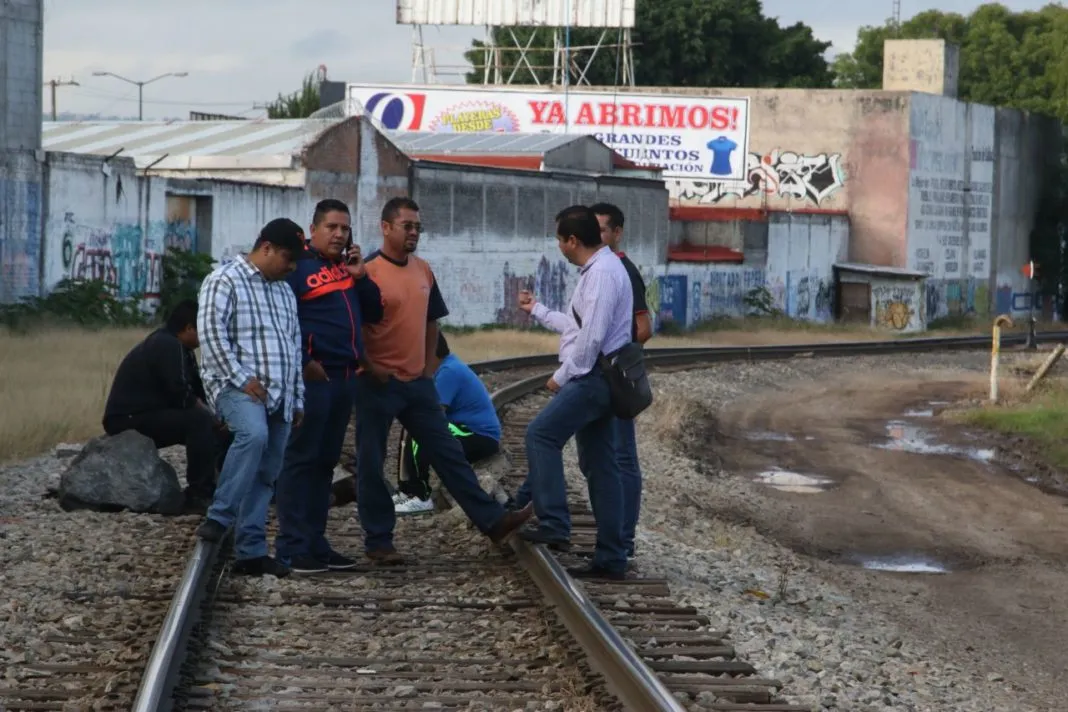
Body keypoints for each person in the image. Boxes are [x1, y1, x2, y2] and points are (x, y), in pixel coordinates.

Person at [355, 196, 533, 564]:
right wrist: (370, 367)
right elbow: (352, 326)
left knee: (449, 454)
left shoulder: (423, 270)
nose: (414, 233)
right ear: (386, 228)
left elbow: (432, 320)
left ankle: (493, 522)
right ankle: (379, 541)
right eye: (407, 226)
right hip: (377, 383)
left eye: (418, 227)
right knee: (371, 461)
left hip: (417, 384)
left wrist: (426, 371)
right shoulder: (368, 272)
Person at [513, 205, 634, 581]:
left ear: (572, 240)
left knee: (541, 435)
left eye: (559, 240)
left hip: (594, 378)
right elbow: (577, 325)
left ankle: (554, 522)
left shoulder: (601, 275)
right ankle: (612, 558)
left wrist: (562, 376)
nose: (559, 247)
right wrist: (539, 311)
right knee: (601, 468)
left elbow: (592, 338)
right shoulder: (602, 269)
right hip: (604, 379)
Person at [273, 199, 384, 574]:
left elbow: (375, 312)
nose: (339, 234)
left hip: (346, 376)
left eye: (345, 228)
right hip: (314, 379)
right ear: (314, 230)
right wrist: (304, 361)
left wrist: (360, 276)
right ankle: (291, 547)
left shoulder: (345, 268)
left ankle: (316, 542)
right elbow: (282, 321)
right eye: (332, 227)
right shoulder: (297, 269)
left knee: (325, 463)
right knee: (301, 460)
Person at [194, 218, 307, 579]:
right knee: (252, 436)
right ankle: (219, 516)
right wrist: (243, 380)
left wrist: (297, 396)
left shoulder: (284, 292)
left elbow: (293, 346)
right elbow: (211, 336)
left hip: (279, 395)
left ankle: (252, 552)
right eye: (288, 258)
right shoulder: (224, 280)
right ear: (267, 248)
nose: (291, 268)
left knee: (266, 473)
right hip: (234, 386)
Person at [102, 299, 231, 513]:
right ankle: (198, 493)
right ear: (189, 327)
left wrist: (219, 417)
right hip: (126, 419)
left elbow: (197, 390)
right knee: (199, 421)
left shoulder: (181, 348)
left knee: (215, 429)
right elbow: (180, 394)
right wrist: (209, 416)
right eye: (203, 331)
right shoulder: (167, 345)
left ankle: (223, 487)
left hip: (145, 414)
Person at [590, 202, 652, 558]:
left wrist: (613, 358)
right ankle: (615, 536)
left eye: (602, 229)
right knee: (604, 455)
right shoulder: (601, 268)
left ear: (616, 233)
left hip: (617, 378)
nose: (596, 235)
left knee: (623, 456)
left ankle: (623, 540)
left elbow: (643, 329)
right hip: (604, 375)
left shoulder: (623, 270)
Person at [395, 331, 502, 515]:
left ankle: (420, 496)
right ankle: (407, 490)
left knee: (421, 430)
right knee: (413, 427)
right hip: (466, 430)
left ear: (430, 353)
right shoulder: (445, 367)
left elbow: (433, 415)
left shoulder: (448, 371)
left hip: (479, 435)